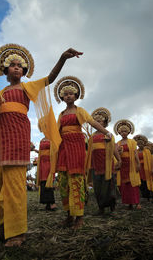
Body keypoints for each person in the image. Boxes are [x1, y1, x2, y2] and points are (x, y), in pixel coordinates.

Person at [0, 44, 83, 247]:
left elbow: (50, 79)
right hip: (2, 138)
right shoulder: (0, 93)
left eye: (21, 65)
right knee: (2, 186)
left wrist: (62, 58)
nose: (17, 67)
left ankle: (17, 232)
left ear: (25, 70)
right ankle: (2, 230)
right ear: (5, 70)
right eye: (13, 65)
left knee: (15, 186)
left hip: (18, 138)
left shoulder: (27, 87)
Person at [55, 77, 114, 228]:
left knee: (76, 182)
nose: (68, 96)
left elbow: (92, 122)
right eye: (65, 94)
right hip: (63, 148)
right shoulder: (61, 115)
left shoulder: (80, 111)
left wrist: (107, 132)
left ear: (76, 96)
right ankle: (69, 215)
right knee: (63, 183)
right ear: (62, 97)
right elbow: (55, 132)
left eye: (71, 94)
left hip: (76, 147)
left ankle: (79, 217)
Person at [85, 107, 121, 215]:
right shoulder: (91, 137)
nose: (97, 123)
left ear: (105, 123)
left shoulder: (108, 134)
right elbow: (89, 151)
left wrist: (119, 159)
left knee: (109, 186)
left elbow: (114, 148)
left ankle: (112, 207)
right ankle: (101, 208)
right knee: (98, 187)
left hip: (107, 164)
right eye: (95, 121)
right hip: (96, 164)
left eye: (99, 121)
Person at [114, 119, 141, 209]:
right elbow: (116, 155)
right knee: (124, 185)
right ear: (119, 132)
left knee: (133, 184)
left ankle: (137, 203)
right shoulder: (118, 143)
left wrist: (138, 163)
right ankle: (129, 203)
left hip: (131, 165)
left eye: (125, 131)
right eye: (122, 131)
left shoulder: (132, 142)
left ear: (129, 132)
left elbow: (135, 153)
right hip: (122, 166)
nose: (123, 133)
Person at [36, 135, 57, 211]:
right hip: (42, 163)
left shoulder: (52, 138)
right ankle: (47, 204)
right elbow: (41, 152)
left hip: (49, 162)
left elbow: (55, 150)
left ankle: (52, 203)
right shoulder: (42, 139)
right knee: (43, 182)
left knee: (49, 181)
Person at [133, 135, 153, 201]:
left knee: (147, 181)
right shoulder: (136, 151)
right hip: (139, 168)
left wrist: (151, 168)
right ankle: (144, 195)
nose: (140, 145)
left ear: (143, 144)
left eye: (141, 143)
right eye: (138, 144)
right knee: (141, 181)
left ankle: (149, 195)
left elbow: (150, 160)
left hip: (146, 168)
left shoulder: (147, 151)